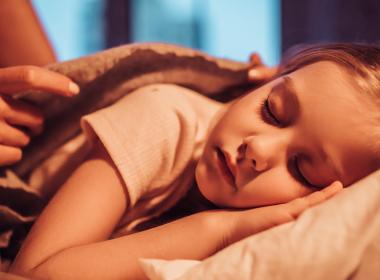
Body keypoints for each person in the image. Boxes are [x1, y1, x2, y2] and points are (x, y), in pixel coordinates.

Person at [9, 42, 380, 279]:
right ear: (262, 85)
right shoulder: (163, 118)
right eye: (271, 109)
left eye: (303, 169)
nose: (258, 150)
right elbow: (36, 273)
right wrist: (218, 230)